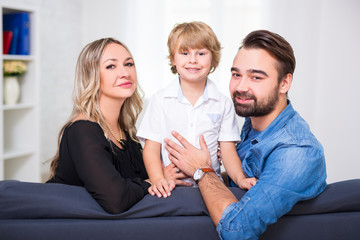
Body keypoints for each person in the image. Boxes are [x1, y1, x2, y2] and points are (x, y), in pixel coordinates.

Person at [164, 30, 327, 239]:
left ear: (284, 83)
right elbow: (240, 182)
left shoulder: (297, 152)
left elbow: (236, 231)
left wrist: (201, 170)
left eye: (256, 77)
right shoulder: (254, 123)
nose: (241, 87)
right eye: (236, 74)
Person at [137, 21, 257, 198]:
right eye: (185, 53)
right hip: (172, 189)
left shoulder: (223, 103)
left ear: (213, 59)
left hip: (211, 188)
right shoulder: (160, 100)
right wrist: (158, 179)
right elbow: (151, 149)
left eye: (201, 53)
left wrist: (240, 179)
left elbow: (228, 150)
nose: (193, 60)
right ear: (173, 58)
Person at [47, 38, 151, 214]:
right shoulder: (83, 130)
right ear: (91, 75)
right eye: (111, 66)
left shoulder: (126, 131)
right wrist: (150, 182)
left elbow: (142, 179)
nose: (125, 72)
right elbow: (116, 200)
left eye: (129, 64)